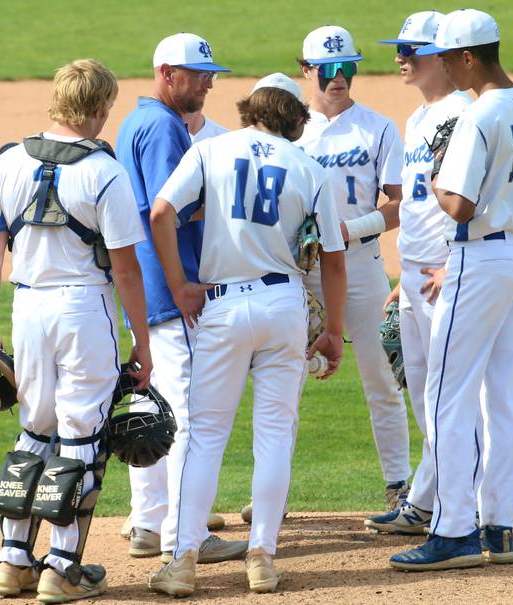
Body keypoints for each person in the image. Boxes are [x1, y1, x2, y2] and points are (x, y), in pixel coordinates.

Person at [147, 73, 346, 596]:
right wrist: (334, 331)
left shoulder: (213, 148)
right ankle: (262, 556)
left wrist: (178, 285)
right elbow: (333, 259)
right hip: (284, 305)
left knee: (206, 436)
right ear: (294, 122)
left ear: (248, 110)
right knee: (275, 435)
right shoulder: (309, 166)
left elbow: (161, 212)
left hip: (222, 303)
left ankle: (184, 559)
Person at [0, 58, 152, 602]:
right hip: (83, 311)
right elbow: (125, 268)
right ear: (99, 108)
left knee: (34, 428)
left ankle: (12, 561)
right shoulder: (105, 171)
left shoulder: (9, 161)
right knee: (79, 436)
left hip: (26, 311)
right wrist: (142, 343)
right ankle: (62, 568)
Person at [389, 8, 513, 571]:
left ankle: (453, 531)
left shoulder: (477, 116)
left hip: (476, 260)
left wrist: (437, 179)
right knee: (504, 395)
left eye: (449, 60)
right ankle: (498, 529)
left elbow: (456, 204)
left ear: (465, 56)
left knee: (445, 395)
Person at [115, 33, 244, 562]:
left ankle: (148, 522)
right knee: (189, 413)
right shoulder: (164, 127)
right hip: (170, 290)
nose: (210, 83)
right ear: (167, 72)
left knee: (153, 400)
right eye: (199, 74)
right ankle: (184, 537)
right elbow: (167, 211)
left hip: (143, 289)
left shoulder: (136, 123)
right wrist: (182, 284)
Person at [365, 11, 474, 536]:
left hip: (442, 273)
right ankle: (426, 502)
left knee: (445, 396)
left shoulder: (462, 115)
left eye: (411, 50)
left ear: (442, 56)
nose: (400, 58)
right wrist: (400, 276)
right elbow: (415, 204)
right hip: (413, 275)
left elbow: (475, 200)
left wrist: (455, 262)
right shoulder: (419, 118)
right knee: (422, 395)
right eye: (400, 49)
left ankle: (459, 507)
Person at [296, 24, 411, 510]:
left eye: (347, 67)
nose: (338, 77)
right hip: (299, 272)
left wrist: (350, 229)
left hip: (360, 265)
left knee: (381, 379)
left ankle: (398, 485)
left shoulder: (378, 128)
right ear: (307, 71)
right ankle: (273, 495)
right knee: (286, 386)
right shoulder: (289, 128)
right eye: (328, 69)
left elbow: (399, 205)